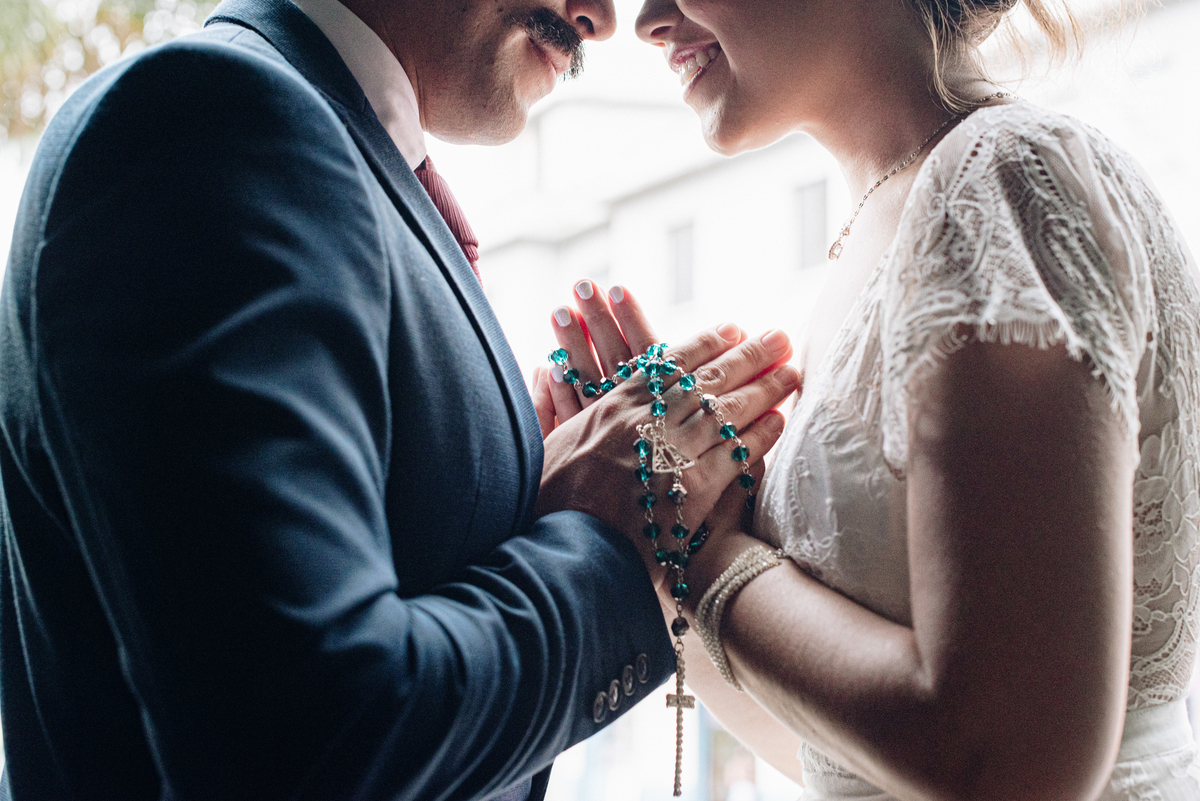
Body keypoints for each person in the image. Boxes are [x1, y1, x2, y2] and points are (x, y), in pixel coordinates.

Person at [0, 0, 802, 798]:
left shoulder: (338, 152)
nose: (596, 16)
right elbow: (307, 744)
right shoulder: (203, 122)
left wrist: (530, 497)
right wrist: (606, 542)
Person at [537, 0, 1200, 798]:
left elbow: (1009, 762)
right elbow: (835, 754)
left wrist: (702, 549)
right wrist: (652, 548)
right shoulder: (885, 221)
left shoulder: (998, 176)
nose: (647, 19)